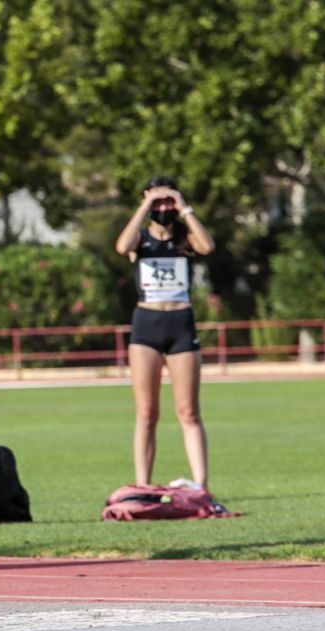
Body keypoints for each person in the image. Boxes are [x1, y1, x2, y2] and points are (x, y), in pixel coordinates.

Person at [115, 176, 215, 491]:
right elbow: (122, 246)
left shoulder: (184, 239)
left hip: (180, 325)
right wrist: (146, 204)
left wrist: (183, 206)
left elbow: (208, 246)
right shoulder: (141, 240)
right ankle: (143, 484)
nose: (162, 207)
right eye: (157, 201)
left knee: (188, 410)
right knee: (147, 412)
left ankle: (200, 484)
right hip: (147, 324)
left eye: (166, 201)